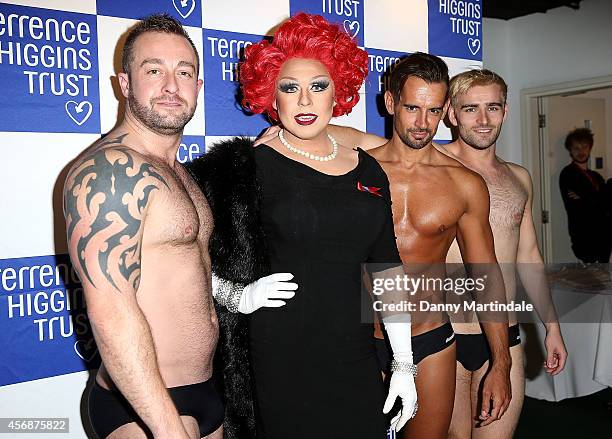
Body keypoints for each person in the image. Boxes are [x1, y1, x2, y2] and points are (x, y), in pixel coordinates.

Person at [187, 13, 417, 439]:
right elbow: (180, 258)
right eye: (290, 88)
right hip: (281, 357)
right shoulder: (247, 168)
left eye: (318, 86)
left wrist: (404, 362)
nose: (305, 101)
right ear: (272, 96)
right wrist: (237, 296)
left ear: (339, 92)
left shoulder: (369, 170)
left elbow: (387, 270)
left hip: (356, 354)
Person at [63, 14, 223, 439]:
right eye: (154, 70)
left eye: (184, 72)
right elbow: (112, 313)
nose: (172, 85)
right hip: (143, 405)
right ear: (125, 83)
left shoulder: (181, 173)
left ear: (199, 88)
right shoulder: (107, 173)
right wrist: (168, 429)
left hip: (203, 391)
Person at [437, 69, 568, 439]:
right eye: (470, 109)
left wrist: (552, 327)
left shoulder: (519, 178)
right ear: (450, 113)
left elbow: (528, 255)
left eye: (492, 108)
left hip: (504, 336)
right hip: (444, 334)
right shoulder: (431, 169)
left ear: (505, 112)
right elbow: (369, 146)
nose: (482, 120)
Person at [559, 128, 611, 263]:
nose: (580, 151)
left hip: (604, 235)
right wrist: (598, 198)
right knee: (589, 278)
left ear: (590, 148)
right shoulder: (567, 174)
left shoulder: (597, 177)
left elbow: (606, 202)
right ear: (570, 150)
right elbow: (577, 207)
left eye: (584, 147)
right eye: (576, 148)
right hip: (583, 236)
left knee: (603, 278)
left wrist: (587, 197)